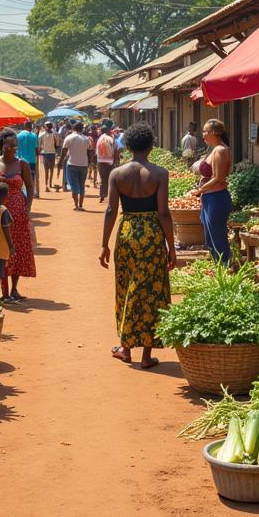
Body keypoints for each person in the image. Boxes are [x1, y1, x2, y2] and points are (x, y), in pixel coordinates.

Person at [99, 122, 176, 368]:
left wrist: (104, 244)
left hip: (127, 232)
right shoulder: (160, 174)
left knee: (127, 285)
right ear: (151, 146)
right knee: (151, 290)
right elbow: (163, 213)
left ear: (128, 146)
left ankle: (126, 348)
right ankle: (146, 356)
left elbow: (111, 210)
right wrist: (171, 247)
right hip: (152, 234)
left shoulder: (117, 174)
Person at [0, 129, 36, 302]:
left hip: (18, 213)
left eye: (15, 145)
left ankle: (14, 289)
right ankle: (2, 292)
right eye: (10, 145)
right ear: (2, 146)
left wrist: (27, 209)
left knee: (17, 250)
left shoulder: (23, 164)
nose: (13, 148)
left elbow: (30, 187)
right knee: (1, 249)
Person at [193, 118, 233, 263]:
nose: (203, 134)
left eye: (206, 131)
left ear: (215, 133)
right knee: (210, 240)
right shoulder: (214, 149)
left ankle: (225, 271)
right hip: (209, 199)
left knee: (218, 240)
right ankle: (218, 273)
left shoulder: (220, 150)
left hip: (216, 199)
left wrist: (199, 190)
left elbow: (218, 178)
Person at [60, 121, 92, 211]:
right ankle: (81, 205)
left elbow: (64, 151)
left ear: (73, 128)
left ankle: (76, 205)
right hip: (84, 165)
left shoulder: (69, 137)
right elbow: (90, 151)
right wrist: (90, 163)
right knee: (82, 185)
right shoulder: (86, 139)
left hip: (72, 164)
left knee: (74, 186)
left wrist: (60, 161)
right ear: (82, 129)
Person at [16, 121, 39, 198]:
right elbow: (37, 151)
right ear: (31, 126)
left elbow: (16, 148)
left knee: (20, 180)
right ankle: (28, 198)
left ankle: (21, 196)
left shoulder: (18, 136)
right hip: (31, 161)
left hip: (20, 161)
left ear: (24, 126)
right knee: (30, 182)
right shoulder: (34, 136)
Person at [96, 121, 117, 203]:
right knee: (110, 180)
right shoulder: (111, 139)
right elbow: (116, 150)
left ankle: (102, 196)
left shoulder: (99, 139)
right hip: (110, 161)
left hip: (100, 161)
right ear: (108, 131)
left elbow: (96, 151)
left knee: (103, 179)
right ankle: (110, 196)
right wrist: (115, 160)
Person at [39, 122, 59, 191]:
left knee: (48, 170)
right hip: (49, 153)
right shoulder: (53, 134)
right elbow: (57, 145)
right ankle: (48, 184)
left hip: (47, 153)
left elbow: (39, 145)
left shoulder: (43, 134)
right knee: (49, 170)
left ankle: (48, 184)